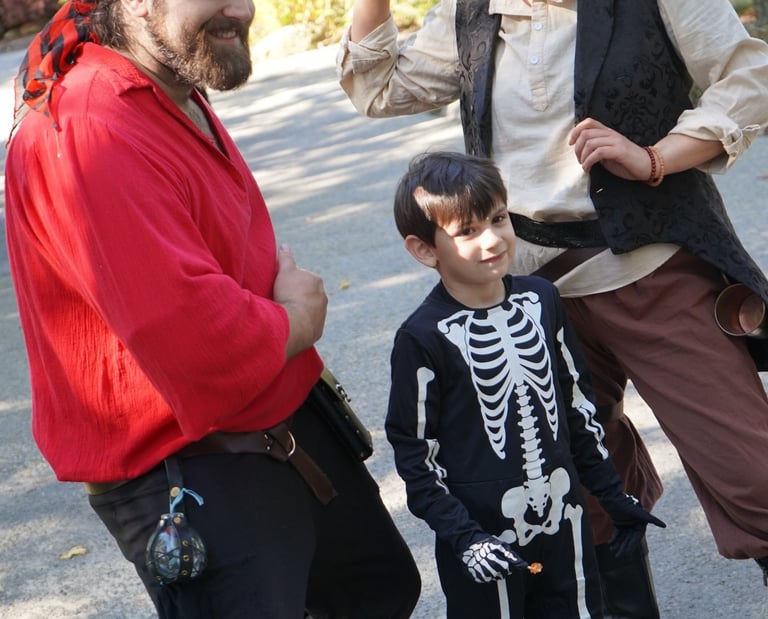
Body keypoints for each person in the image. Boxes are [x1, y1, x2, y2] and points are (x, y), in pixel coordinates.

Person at [338, 0, 768, 616]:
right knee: (578, 490)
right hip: (527, 296)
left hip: (650, 266)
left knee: (752, 472)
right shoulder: (474, 12)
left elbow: (751, 77)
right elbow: (376, 87)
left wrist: (656, 157)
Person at [4, 1, 421, 617]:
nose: (244, 10)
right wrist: (299, 318)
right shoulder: (91, 125)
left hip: (281, 427)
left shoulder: (164, 79)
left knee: (378, 591)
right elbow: (196, 341)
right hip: (191, 469)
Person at [386, 151, 664, 618]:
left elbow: (578, 407)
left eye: (498, 218)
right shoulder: (422, 338)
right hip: (484, 533)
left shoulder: (543, 300)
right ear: (424, 249)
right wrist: (464, 537)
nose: (493, 239)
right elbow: (415, 456)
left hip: (564, 511)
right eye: (467, 231)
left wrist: (611, 494)